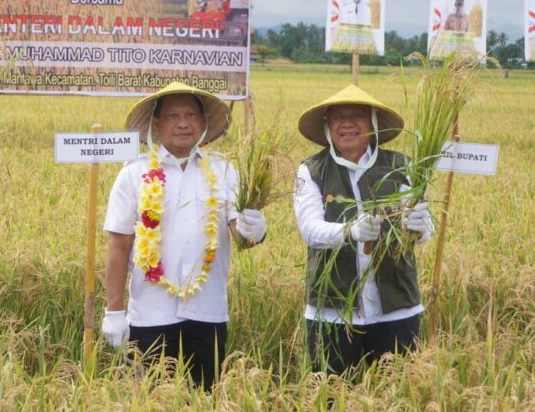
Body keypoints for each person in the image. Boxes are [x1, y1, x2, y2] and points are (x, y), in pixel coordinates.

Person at [101, 82, 268, 391]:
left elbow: (239, 230)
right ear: (156, 124)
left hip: (207, 311)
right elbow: (119, 245)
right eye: (173, 115)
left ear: (203, 123)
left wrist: (253, 228)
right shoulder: (133, 174)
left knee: (206, 397)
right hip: (150, 313)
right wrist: (113, 311)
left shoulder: (224, 170)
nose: (183, 123)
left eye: (191, 114)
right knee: (148, 399)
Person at [292, 85, 433, 375]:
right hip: (332, 314)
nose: (347, 123)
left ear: (373, 124)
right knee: (330, 398)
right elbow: (309, 228)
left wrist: (420, 227)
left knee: (396, 397)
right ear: (328, 127)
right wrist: (349, 231)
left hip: (396, 309)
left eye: (357, 116)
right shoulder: (312, 170)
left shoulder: (400, 166)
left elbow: (421, 225)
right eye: (338, 117)